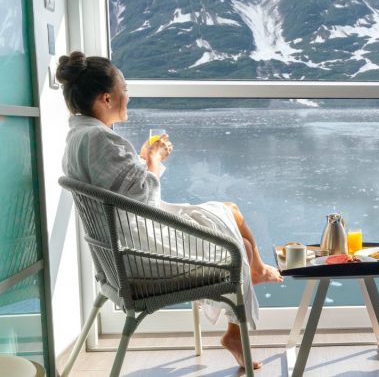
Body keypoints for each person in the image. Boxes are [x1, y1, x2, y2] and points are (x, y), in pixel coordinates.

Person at [56, 51, 282, 370]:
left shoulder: (80, 138)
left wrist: (144, 157)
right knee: (236, 245)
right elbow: (143, 199)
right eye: (125, 90)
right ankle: (250, 286)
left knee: (230, 219)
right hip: (141, 257)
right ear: (107, 98)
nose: (128, 97)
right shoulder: (101, 141)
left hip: (119, 253)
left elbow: (122, 191)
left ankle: (253, 274)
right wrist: (155, 158)